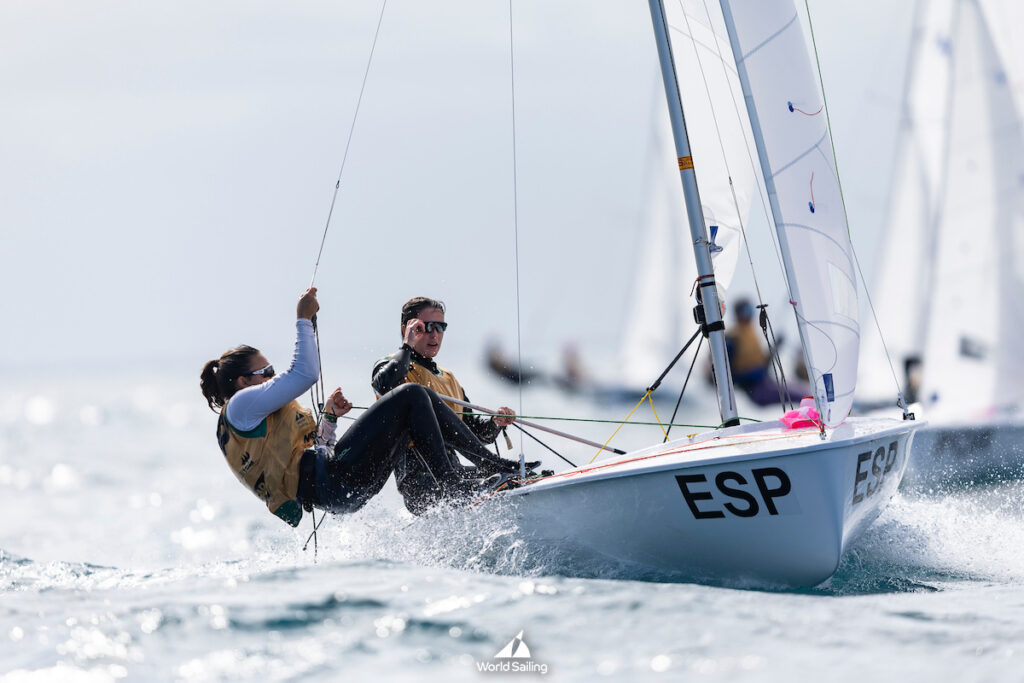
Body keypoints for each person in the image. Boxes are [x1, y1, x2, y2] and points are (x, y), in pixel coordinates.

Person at [200, 288, 509, 526]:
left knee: (418, 398)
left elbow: (315, 448)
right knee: (413, 394)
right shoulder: (240, 406)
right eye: (266, 373)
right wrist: (303, 320)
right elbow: (304, 373)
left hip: (339, 488)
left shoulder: (254, 419)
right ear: (241, 382)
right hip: (332, 483)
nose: (273, 377)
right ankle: (460, 480)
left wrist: (330, 419)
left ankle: (482, 472)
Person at [372, 297, 534, 514]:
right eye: (426, 327)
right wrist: (407, 346)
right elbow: (383, 385)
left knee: (520, 478)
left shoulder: (448, 378)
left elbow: (474, 435)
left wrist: (495, 422)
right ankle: (490, 471)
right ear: (407, 329)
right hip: (418, 481)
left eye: (441, 327)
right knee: (501, 478)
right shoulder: (392, 365)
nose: (434, 334)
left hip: (454, 472)